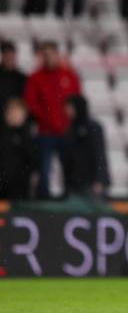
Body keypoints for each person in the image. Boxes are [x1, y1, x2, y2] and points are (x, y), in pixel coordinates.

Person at [24, 41, 81, 198]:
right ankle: (44, 199)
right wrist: (46, 118)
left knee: (69, 166)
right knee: (44, 168)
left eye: (51, 54)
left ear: (57, 54)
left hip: (66, 131)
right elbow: (31, 102)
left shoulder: (69, 75)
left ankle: (69, 196)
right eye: (45, 55)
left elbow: (77, 100)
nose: (49, 58)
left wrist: (67, 122)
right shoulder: (36, 78)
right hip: (45, 132)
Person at [63, 95, 110, 197]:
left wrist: (99, 180)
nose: (67, 111)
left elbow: (99, 155)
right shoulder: (69, 130)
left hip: (91, 184)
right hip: (75, 184)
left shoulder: (94, 128)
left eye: (70, 108)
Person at [0, 41, 27, 118]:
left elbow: (25, 100)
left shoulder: (22, 78)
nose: (10, 59)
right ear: (3, 56)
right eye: (7, 56)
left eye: (12, 56)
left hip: (17, 120)